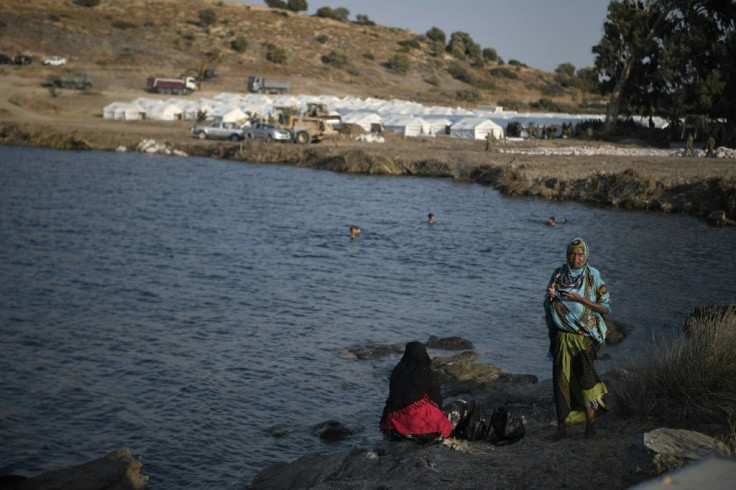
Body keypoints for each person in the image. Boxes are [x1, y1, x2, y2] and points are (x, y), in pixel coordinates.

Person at [544, 237, 610, 440]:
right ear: (567, 254)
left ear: (586, 255)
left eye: (580, 254)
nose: (576, 258)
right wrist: (551, 297)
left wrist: (580, 299)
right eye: (573, 254)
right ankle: (561, 428)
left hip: (584, 338)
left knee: (585, 381)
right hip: (562, 337)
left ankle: (591, 426)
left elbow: (605, 308)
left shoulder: (593, 277)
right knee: (561, 383)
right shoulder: (558, 274)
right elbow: (548, 304)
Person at [379, 341, 453, 444]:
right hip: (419, 429)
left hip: (392, 427)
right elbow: (438, 402)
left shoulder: (396, 371)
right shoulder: (428, 374)